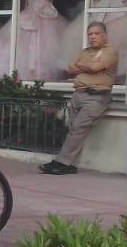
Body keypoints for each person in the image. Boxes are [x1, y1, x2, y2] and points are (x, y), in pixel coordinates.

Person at [40, 22, 119, 175]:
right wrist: (88, 65)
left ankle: (60, 162)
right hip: (79, 94)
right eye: (90, 34)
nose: (93, 37)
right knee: (73, 130)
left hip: (97, 96)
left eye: (97, 33)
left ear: (104, 35)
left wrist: (83, 66)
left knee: (77, 129)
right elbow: (71, 68)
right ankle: (71, 165)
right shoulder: (84, 52)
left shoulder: (111, 51)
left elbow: (95, 68)